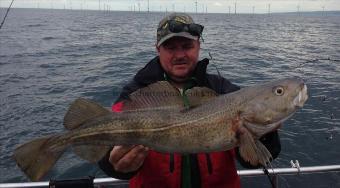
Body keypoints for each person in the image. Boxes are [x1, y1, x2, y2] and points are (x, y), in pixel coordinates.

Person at [98, 13, 281, 188]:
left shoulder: (223, 91)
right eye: (170, 48)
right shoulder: (136, 92)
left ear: (198, 46)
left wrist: (264, 133)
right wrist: (115, 165)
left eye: (187, 46)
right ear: (157, 49)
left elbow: (252, 161)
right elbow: (105, 146)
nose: (179, 55)